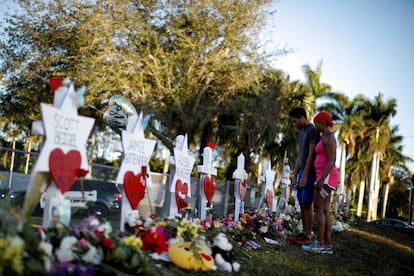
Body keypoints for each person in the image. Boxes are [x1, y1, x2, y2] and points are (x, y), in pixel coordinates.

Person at [302, 111, 339, 254]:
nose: (315, 125)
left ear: (323, 123)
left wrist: (322, 179)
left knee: (319, 209)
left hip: (326, 178)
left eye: (316, 123)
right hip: (323, 177)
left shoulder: (330, 138)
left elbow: (332, 161)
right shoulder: (323, 137)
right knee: (324, 210)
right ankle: (327, 244)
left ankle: (320, 243)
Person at [289, 107, 320, 245]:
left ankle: (308, 235)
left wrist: (305, 176)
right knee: (301, 203)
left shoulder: (312, 131)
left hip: (309, 172)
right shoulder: (302, 133)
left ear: (302, 118)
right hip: (301, 171)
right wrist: (295, 175)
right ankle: (304, 232)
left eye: (295, 121)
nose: (294, 124)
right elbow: (300, 156)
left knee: (307, 204)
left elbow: (311, 155)